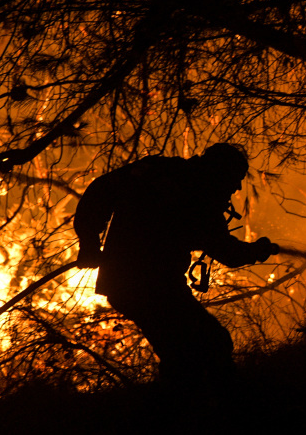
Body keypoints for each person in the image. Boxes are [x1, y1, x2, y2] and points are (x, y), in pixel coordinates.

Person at [73, 143, 279, 382]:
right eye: (236, 178)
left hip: (125, 284)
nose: (237, 186)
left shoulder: (158, 169)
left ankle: (181, 406)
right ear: (221, 171)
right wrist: (258, 250)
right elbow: (227, 252)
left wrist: (89, 241)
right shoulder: (201, 197)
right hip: (154, 287)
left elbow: (101, 190)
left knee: (181, 354)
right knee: (213, 343)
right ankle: (227, 407)